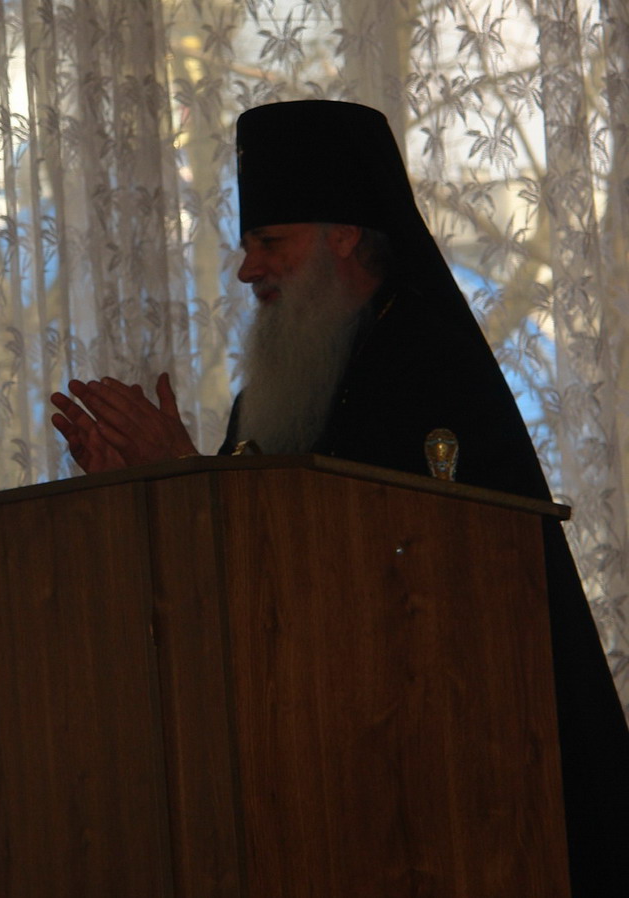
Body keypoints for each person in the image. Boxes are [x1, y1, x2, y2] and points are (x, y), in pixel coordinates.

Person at [51, 100, 629, 894]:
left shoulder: (422, 365)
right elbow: (254, 575)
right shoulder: (282, 387)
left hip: (458, 792)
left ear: (345, 236)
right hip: (321, 781)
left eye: (270, 242)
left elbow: (382, 576)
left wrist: (185, 470)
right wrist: (150, 488)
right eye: (248, 245)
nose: (248, 269)